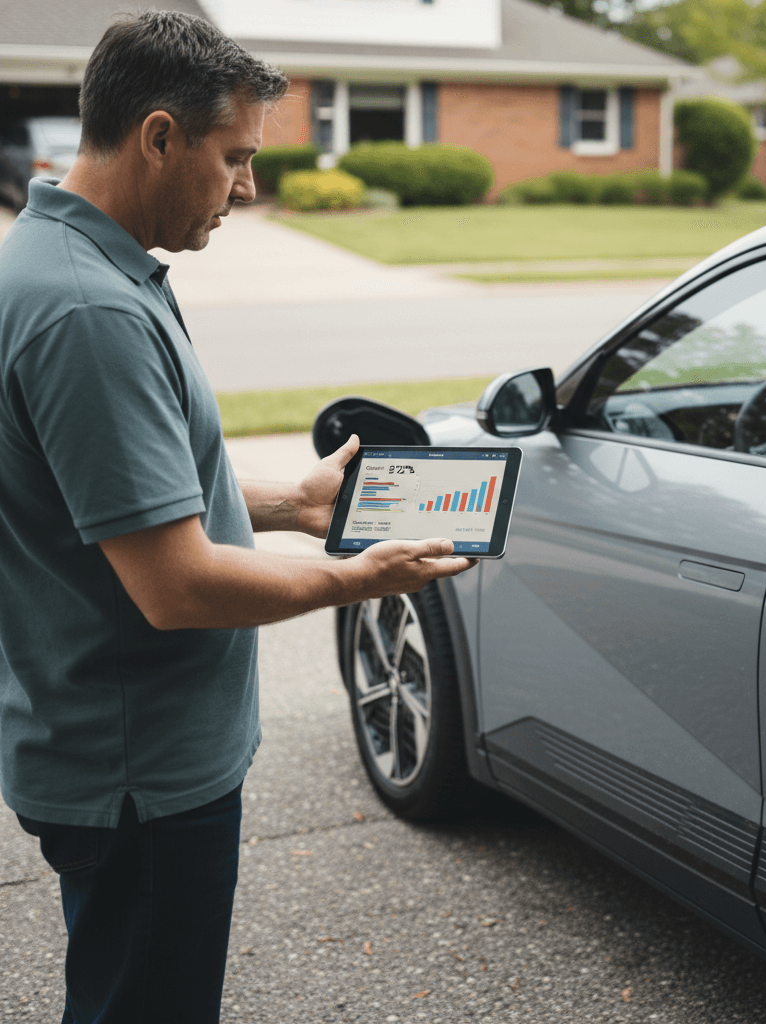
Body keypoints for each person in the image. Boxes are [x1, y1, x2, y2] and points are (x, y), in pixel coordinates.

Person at [0, 12, 475, 1023]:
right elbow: (176, 585)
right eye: (237, 157)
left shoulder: (63, 262)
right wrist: (362, 576)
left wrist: (294, 504)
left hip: (112, 749)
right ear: (160, 136)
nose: (249, 188)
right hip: (143, 774)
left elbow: (118, 497)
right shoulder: (88, 310)